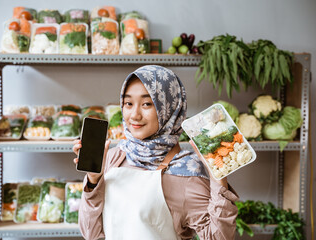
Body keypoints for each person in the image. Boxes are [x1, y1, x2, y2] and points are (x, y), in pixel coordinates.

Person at [73, 65, 239, 240]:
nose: (134, 115)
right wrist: (93, 181)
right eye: (128, 103)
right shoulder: (114, 157)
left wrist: (218, 176)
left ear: (169, 108)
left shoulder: (187, 173)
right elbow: (90, 233)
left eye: (146, 104)